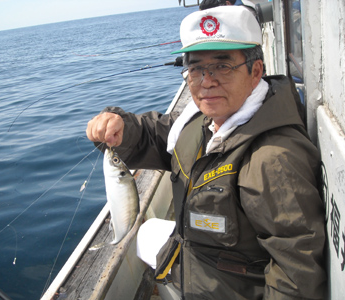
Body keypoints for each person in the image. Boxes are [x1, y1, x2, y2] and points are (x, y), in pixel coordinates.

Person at [86, 6, 326, 300]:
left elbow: (295, 274)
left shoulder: (273, 159)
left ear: (256, 72)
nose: (207, 81)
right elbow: (155, 135)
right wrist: (120, 127)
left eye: (222, 66)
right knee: (145, 237)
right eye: (196, 68)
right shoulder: (204, 120)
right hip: (195, 265)